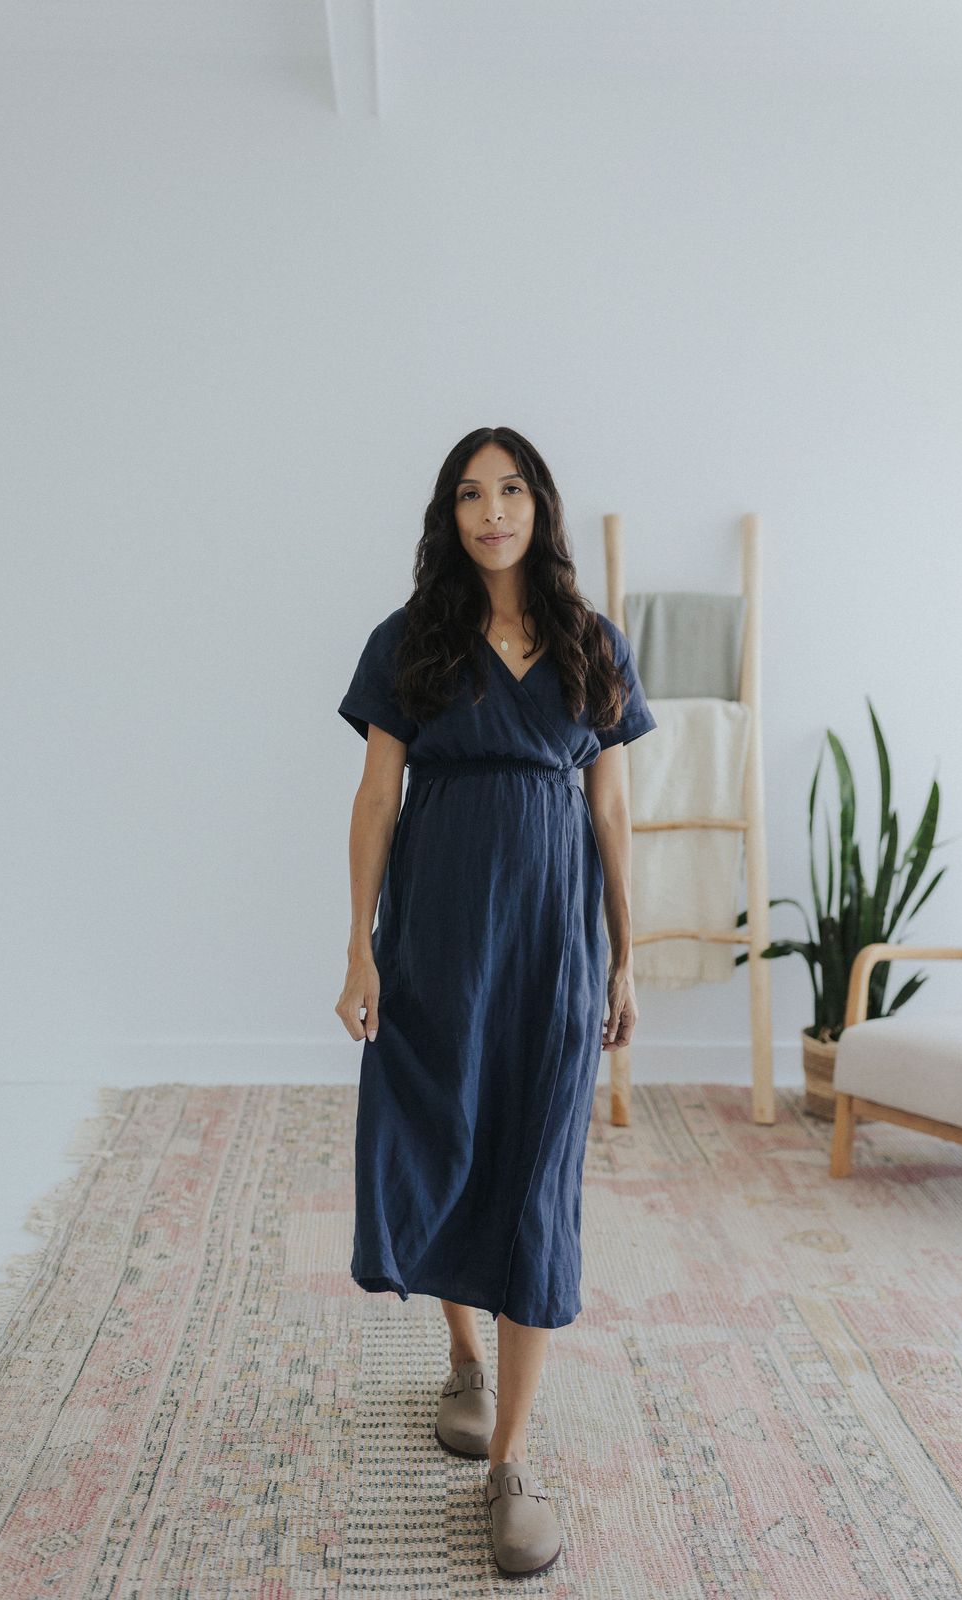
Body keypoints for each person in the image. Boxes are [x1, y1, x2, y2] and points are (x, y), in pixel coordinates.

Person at [335, 425, 657, 1578]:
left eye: (509, 489)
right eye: (469, 493)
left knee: (535, 1174)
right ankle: (462, 1355)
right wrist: (360, 948)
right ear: (448, 514)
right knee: (436, 1139)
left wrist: (622, 958)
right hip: (432, 940)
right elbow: (376, 796)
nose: (490, 511)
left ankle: (508, 1457)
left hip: (551, 949)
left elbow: (612, 817)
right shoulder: (410, 642)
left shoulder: (590, 644)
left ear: (539, 506)